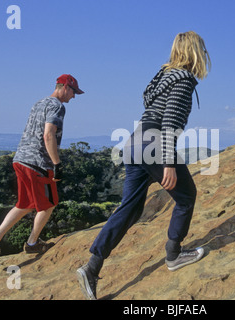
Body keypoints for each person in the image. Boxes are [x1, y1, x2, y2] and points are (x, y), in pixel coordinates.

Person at [77, 31, 211, 300]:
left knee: (129, 209)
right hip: (155, 144)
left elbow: (151, 111)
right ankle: (173, 255)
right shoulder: (184, 79)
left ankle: (91, 268)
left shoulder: (161, 76)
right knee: (186, 197)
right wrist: (168, 162)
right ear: (197, 52)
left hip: (135, 142)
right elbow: (170, 121)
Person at [0, 74, 84, 268]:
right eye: (74, 92)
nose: (74, 97)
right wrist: (57, 164)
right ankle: (32, 243)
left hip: (21, 159)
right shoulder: (58, 106)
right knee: (50, 203)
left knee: (25, 203)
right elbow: (48, 134)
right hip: (37, 162)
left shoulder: (38, 103)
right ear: (65, 87)